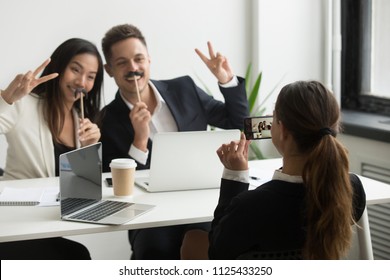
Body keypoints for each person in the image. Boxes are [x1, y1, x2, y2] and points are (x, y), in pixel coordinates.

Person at [100, 24, 248, 259]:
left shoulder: (184, 89)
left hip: (198, 205)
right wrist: (139, 139)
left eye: (139, 59)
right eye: (122, 63)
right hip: (148, 216)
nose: (133, 68)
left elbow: (237, 122)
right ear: (109, 69)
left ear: (149, 59)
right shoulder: (106, 120)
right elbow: (116, 187)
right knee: (155, 253)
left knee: (210, 246)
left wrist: (226, 79)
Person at [209, 80, 366, 259]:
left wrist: (235, 176)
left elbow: (216, 253)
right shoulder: (352, 188)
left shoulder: (250, 206)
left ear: (282, 130)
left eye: (273, 118)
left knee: (192, 238)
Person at [0, 38, 104, 259]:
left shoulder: (81, 119)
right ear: (59, 67)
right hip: (14, 222)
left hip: (47, 222)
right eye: (75, 70)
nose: (81, 82)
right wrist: (7, 99)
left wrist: (89, 150)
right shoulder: (24, 104)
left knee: (78, 255)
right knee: (77, 257)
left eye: (91, 77)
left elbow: (81, 193)